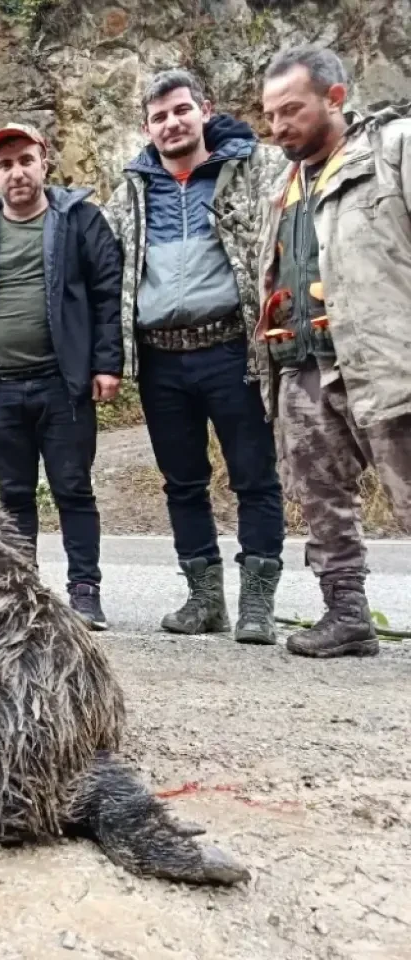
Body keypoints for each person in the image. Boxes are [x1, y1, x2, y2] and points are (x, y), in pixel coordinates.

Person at [102, 70, 287, 644]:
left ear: (204, 111)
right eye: (159, 117)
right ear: (146, 128)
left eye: (181, 110)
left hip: (233, 350)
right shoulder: (130, 194)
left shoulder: (254, 171)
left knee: (254, 475)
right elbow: (95, 265)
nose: (172, 123)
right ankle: (205, 600)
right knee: (182, 482)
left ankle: (257, 604)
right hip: (161, 360)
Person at [257, 44, 411, 658]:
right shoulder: (285, 184)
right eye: (271, 114)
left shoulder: (393, 150)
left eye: (292, 110)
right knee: (321, 500)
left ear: (335, 98)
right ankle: (346, 614)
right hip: (302, 367)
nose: (279, 126)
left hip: (385, 362)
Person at [0, 123, 123, 630]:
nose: (17, 172)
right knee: (14, 496)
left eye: (25, 160)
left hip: (62, 384)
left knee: (73, 488)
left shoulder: (80, 221)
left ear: (44, 163)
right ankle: (23, 596)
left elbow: (107, 292)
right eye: (6, 165)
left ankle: (85, 593)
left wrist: (106, 363)